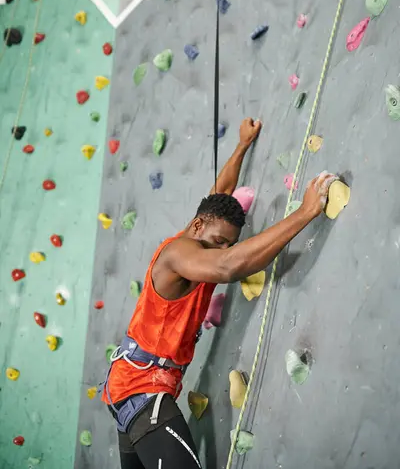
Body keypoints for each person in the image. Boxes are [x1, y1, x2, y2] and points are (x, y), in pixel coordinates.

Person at [102, 118, 336, 469]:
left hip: (129, 391)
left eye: (228, 244)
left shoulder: (199, 234)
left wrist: (242, 145)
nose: (221, 249)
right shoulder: (179, 253)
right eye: (217, 242)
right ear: (197, 227)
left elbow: (221, 191)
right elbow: (228, 267)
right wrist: (305, 212)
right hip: (143, 389)